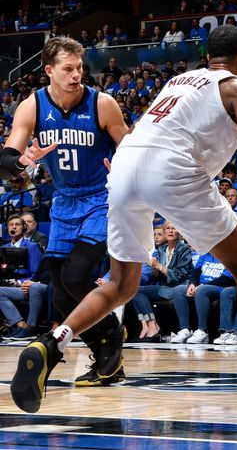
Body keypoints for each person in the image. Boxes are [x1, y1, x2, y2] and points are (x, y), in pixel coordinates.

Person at [10, 26, 237, 422]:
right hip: (170, 167)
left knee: (121, 284)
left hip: (125, 167)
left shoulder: (178, 80)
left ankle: (52, 342)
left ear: (205, 56)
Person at [0, 36, 128, 387]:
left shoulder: (102, 103)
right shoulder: (33, 106)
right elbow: (7, 158)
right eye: (68, 69)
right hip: (64, 202)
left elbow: (130, 146)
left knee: (75, 277)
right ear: (49, 71)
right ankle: (106, 352)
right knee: (59, 292)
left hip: (102, 198)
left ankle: (112, 333)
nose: (76, 75)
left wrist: (123, 167)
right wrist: (23, 160)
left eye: (80, 68)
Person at [0, 215, 46, 340]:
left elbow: (36, 274)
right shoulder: (3, 249)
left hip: (26, 287)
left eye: (17, 224)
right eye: (11, 225)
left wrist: (19, 282)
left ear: (23, 228)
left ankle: (25, 327)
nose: (13, 227)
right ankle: (17, 325)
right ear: (7, 228)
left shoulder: (32, 247)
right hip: (8, 286)